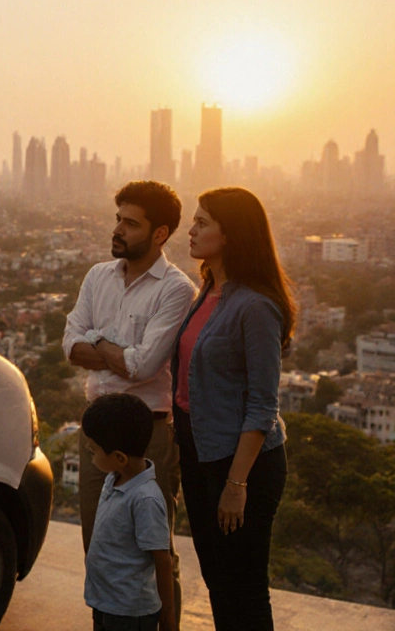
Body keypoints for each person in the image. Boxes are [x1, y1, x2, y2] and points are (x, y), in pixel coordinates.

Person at [63, 180, 195, 626]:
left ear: (160, 234)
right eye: (118, 218)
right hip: (97, 430)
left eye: (130, 222)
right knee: (97, 540)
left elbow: (145, 366)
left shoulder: (176, 290)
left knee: (156, 549)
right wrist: (115, 353)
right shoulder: (98, 276)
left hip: (148, 434)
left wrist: (95, 342)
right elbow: (69, 345)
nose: (118, 229)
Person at [171, 187, 293, 631]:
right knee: (219, 580)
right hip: (201, 452)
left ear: (232, 234)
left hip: (241, 464)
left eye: (203, 223)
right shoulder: (208, 289)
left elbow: (262, 404)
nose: (192, 229)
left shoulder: (255, 306)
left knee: (244, 586)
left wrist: (236, 484)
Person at [81, 393, 175, 631]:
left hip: (130, 615)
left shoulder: (145, 499)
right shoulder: (114, 479)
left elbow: (163, 561)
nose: (89, 454)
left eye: (93, 451)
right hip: (104, 602)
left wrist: (168, 620)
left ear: (119, 458)